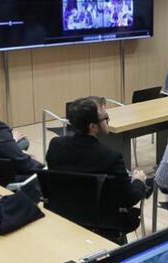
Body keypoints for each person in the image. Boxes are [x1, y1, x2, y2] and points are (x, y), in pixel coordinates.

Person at [46, 96, 149, 231]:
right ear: (92, 127)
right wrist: (139, 181)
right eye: (105, 118)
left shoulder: (56, 145)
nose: (108, 121)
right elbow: (130, 198)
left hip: (64, 218)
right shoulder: (111, 157)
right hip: (104, 224)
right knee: (145, 184)